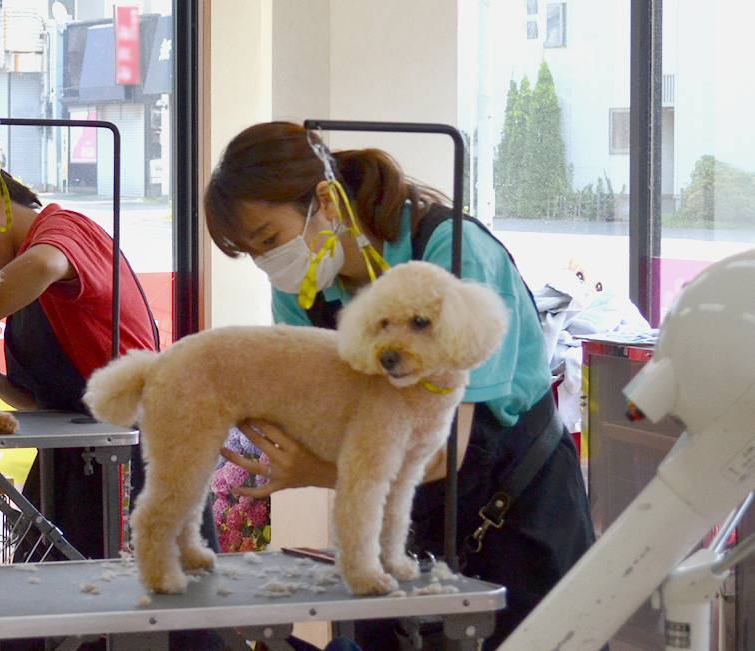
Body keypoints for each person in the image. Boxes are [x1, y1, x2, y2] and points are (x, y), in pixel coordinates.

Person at [203, 122, 596, 650]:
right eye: (251, 252)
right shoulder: (304, 291)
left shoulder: (451, 252)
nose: (267, 263)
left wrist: (318, 470)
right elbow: (316, 418)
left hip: (513, 511)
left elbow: (442, 452)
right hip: (406, 519)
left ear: (325, 199)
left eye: (269, 240)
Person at [0, 158, 225, 650]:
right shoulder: (23, 276)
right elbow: (55, 398)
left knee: (160, 611)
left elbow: (43, 265)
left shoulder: (60, 231)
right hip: (78, 453)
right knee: (44, 603)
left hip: (142, 447)